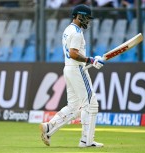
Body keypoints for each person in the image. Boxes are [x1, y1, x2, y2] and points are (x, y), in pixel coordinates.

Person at [40, 4, 104, 148]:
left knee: (74, 106)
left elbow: (72, 54)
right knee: (91, 105)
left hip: (68, 68)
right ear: (79, 15)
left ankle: (49, 127)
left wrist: (90, 59)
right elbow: (74, 53)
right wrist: (91, 60)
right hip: (76, 69)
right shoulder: (76, 32)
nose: (87, 21)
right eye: (86, 17)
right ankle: (86, 141)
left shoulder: (68, 29)